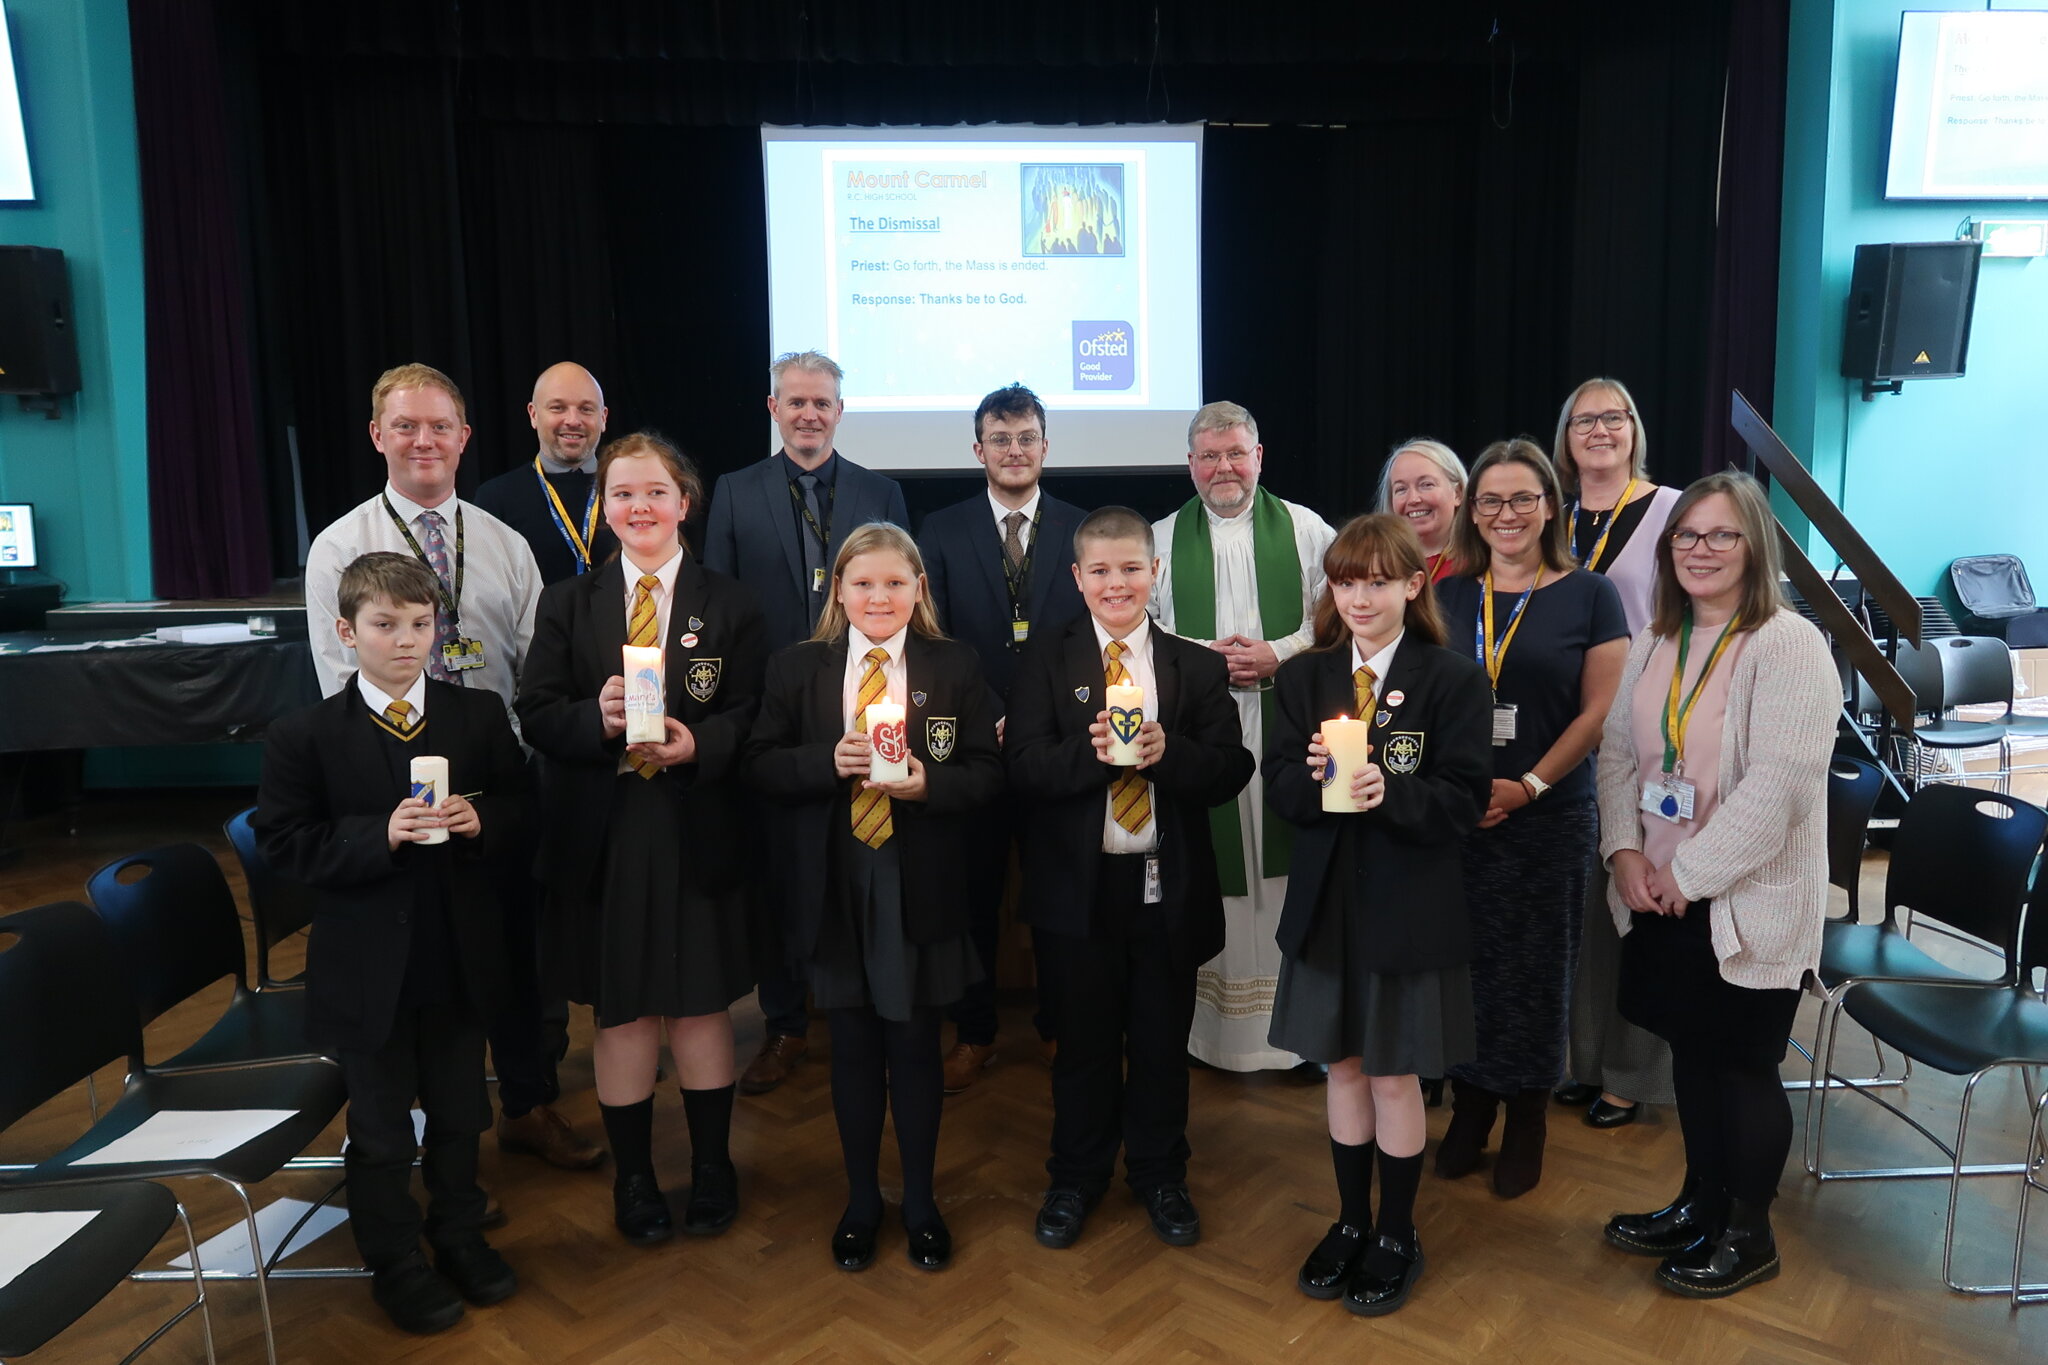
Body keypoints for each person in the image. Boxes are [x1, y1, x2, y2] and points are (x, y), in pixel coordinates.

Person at [303, 362, 603, 1175]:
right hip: (396, 801)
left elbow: (539, 668)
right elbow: (338, 686)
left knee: (519, 953)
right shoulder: (340, 545)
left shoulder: (504, 542)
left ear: (465, 437)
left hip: (501, 784)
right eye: (406, 425)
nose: (424, 440)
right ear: (378, 435)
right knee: (431, 970)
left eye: (440, 426)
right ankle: (434, 1140)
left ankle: (530, 1101)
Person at [255, 552, 529, 1335]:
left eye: (420, 624)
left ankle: (458, 1230)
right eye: (384, 625)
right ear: (346, 631)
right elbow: (286, 842)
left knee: (459, 1110)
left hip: (457, 953)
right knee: (378, 1130)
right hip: (366, 969)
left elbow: (522, 806)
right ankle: (395, 1258)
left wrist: (486, 823)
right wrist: (378, 834)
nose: (405, 641)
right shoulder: (305, 735)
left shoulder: (475, 716)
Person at [516, 432, 768, 1246]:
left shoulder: (733, 602)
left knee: (699, 1008)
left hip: (695, 822)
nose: (639, 507)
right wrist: (595, 716)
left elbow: (755, 715)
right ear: (604, 507)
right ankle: (633, 1177)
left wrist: (701, 745)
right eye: (622, 494)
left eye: (655, 492)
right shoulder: (568, 602)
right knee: (622, 1015)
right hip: (608, 831)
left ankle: (712, 1166)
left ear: (683, 502)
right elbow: (538, 712)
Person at [1597, 471, 1837, 1298]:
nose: (1699, 550)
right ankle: (1699, 1203)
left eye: (1720, 535)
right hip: (1659, 892)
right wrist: (1627, 855)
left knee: (1742, 1065)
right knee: (1691, 1056)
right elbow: (1620, 756)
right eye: (1686, 536)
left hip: (1744, 901)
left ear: (1754, 546)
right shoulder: (1657, 639)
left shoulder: (1788, 643)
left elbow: (1779, 787)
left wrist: (1686, 876)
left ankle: (1749, 1231)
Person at [744, 523, 1002, 1273]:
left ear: (919, 588)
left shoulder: (953, 665)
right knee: (852, 1046)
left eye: (895, 582)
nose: (879, 596)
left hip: (916, 878)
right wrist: (825, 760)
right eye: (863, 583)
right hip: (836, 878)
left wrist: (932, 784)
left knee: (916, 1045)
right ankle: (862, 1200)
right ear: (838, 591)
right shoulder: (799, 670)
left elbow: (988, 770)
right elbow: (759, 764)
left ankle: (919, 1202)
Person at [1008, 507, 1254, 1252]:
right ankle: (1075, 1176)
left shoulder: (1195, 665)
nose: (1117, 582)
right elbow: (1021, 768)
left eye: (1131, 568)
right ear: (1078, 578)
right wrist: (1098, 756)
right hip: (1077, 894)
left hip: (1165, 888)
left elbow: (1230, 770)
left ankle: (1159, 1173)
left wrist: (1164, 752)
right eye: (1101, 570)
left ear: (1157, 573)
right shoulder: (1042, 660)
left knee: (1157, 1042)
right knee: (1081, 1044)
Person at [1265, 513, 1493, 1316]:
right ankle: (1350, 1219)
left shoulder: (1454, 680)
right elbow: (1282, 791)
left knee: (1395, 1073)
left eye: (1376, 580)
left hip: (1408, 911)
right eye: (1345, 580)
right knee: (1344, 1066)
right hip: (1329, 906)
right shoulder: (1303, 680)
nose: (1359, 596)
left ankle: (1398, 1231)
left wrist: (1388, 792)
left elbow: (1465, 801)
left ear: (1411, 584)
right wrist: (1318, 781)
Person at [705, 350, 911, 1096]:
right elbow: (722, 608)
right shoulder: (733, 492)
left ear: (839, 411)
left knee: (866, 865)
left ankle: (874, 1002)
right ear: (773, 408)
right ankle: (786, 1024)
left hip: (870, 701)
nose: (809, 414)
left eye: (822, 403)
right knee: (783, 872)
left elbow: (902, 597)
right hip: (777, 713)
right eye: (795, 402)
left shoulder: (880, 489)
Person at [1432, 439, 1628, 1198]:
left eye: (1521, 498)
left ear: (1550, 504)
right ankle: (1472, 1105)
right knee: (1467, 966)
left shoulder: (1589, 593)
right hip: (1460, 813)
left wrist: (1531, 784)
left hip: (1548, 812)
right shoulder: (1448, 594)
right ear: (1470, 512)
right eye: (1490, 500)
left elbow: (1599, 711)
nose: (1505, 514)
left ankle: (1527, 1115)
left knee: (1539, 970)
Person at [1151, 401, 1337, 1074]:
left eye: (1236, 453)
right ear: (1191, 465)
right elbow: (1140, 628)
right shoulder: (1163, 538)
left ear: (1260, 456)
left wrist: (1276, 653)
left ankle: (1295, 1033)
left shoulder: (1308, 531)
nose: (1223, 466)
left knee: (1289, 873)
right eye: (1209, 455)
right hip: (1205, 733)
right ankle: (1215, 1033)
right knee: (1215, 872)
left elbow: (1340, 613)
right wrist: (1210, 657)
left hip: (1287, 725)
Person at [917, 383, 1088, 1092]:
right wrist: (992, 708)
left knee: (1058, 889)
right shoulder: (941, 528)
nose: (1013, 451)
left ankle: (1058, 1025)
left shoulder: (1084, 528)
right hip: (973, 740)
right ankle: (977, 1030)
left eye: (1026, 438)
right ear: (978, 448)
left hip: (1056, 741)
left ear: (1045, 447)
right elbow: (934, 633)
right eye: (1000, 438)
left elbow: (1090, 631)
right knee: (974, 893)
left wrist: (1036, 713)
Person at [471, 361, 619, 586]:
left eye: (586, 409)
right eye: (558, 408)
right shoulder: (494, 499)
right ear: (533, 414)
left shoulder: (631, 492)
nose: (573, 420)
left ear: (603, 418)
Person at [1376, 438, 1467, 584]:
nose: (1413, 499)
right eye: (1401, 489)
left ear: (1457, 493)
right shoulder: (1375, 565)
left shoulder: (1482, 563)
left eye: (1426, 485)